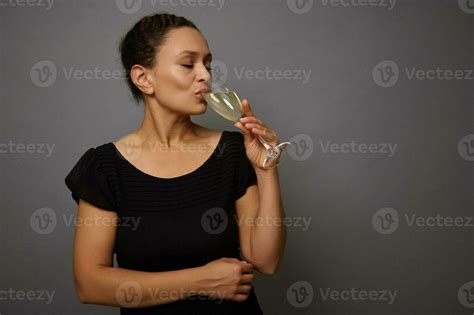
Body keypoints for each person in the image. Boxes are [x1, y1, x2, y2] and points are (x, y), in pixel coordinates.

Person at [64, 12, 286, 315]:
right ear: (144, 78)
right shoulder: (105, 168)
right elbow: (90, 285)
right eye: (188, 64)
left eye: (207, 63)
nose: (205, 76)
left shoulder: (232, 152)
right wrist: (200, 281)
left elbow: (266, 261)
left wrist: (266, 170)